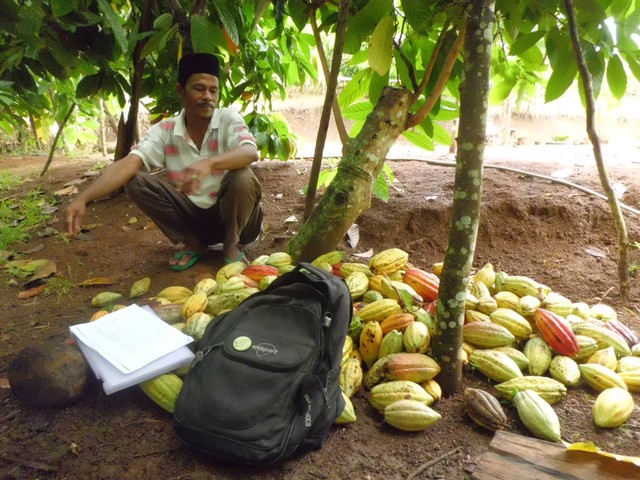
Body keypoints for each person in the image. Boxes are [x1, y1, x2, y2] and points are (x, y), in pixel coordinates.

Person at [65, 53, 263, 271]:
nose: (208, 96)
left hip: (238, 221)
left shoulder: (227, 119)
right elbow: (130, 163)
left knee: (242, 176)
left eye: (213, 90)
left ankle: (232, 245)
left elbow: (250, 151)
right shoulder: (165, 130)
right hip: (194, 220)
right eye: (199, 88)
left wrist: (210, 163)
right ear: (181, 90)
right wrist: (84, 197)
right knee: (136, 181)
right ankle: (192, 243)